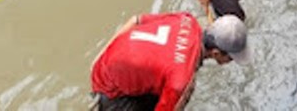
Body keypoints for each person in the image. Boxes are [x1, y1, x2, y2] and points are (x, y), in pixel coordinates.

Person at [91, 12, 251, 110]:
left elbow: (136, 20)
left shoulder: (186, 19)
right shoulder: (181, 79)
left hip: (106, 62)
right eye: (230, 57)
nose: (231, 61)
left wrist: (103, 54)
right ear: (216, 53)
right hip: (113, 90)